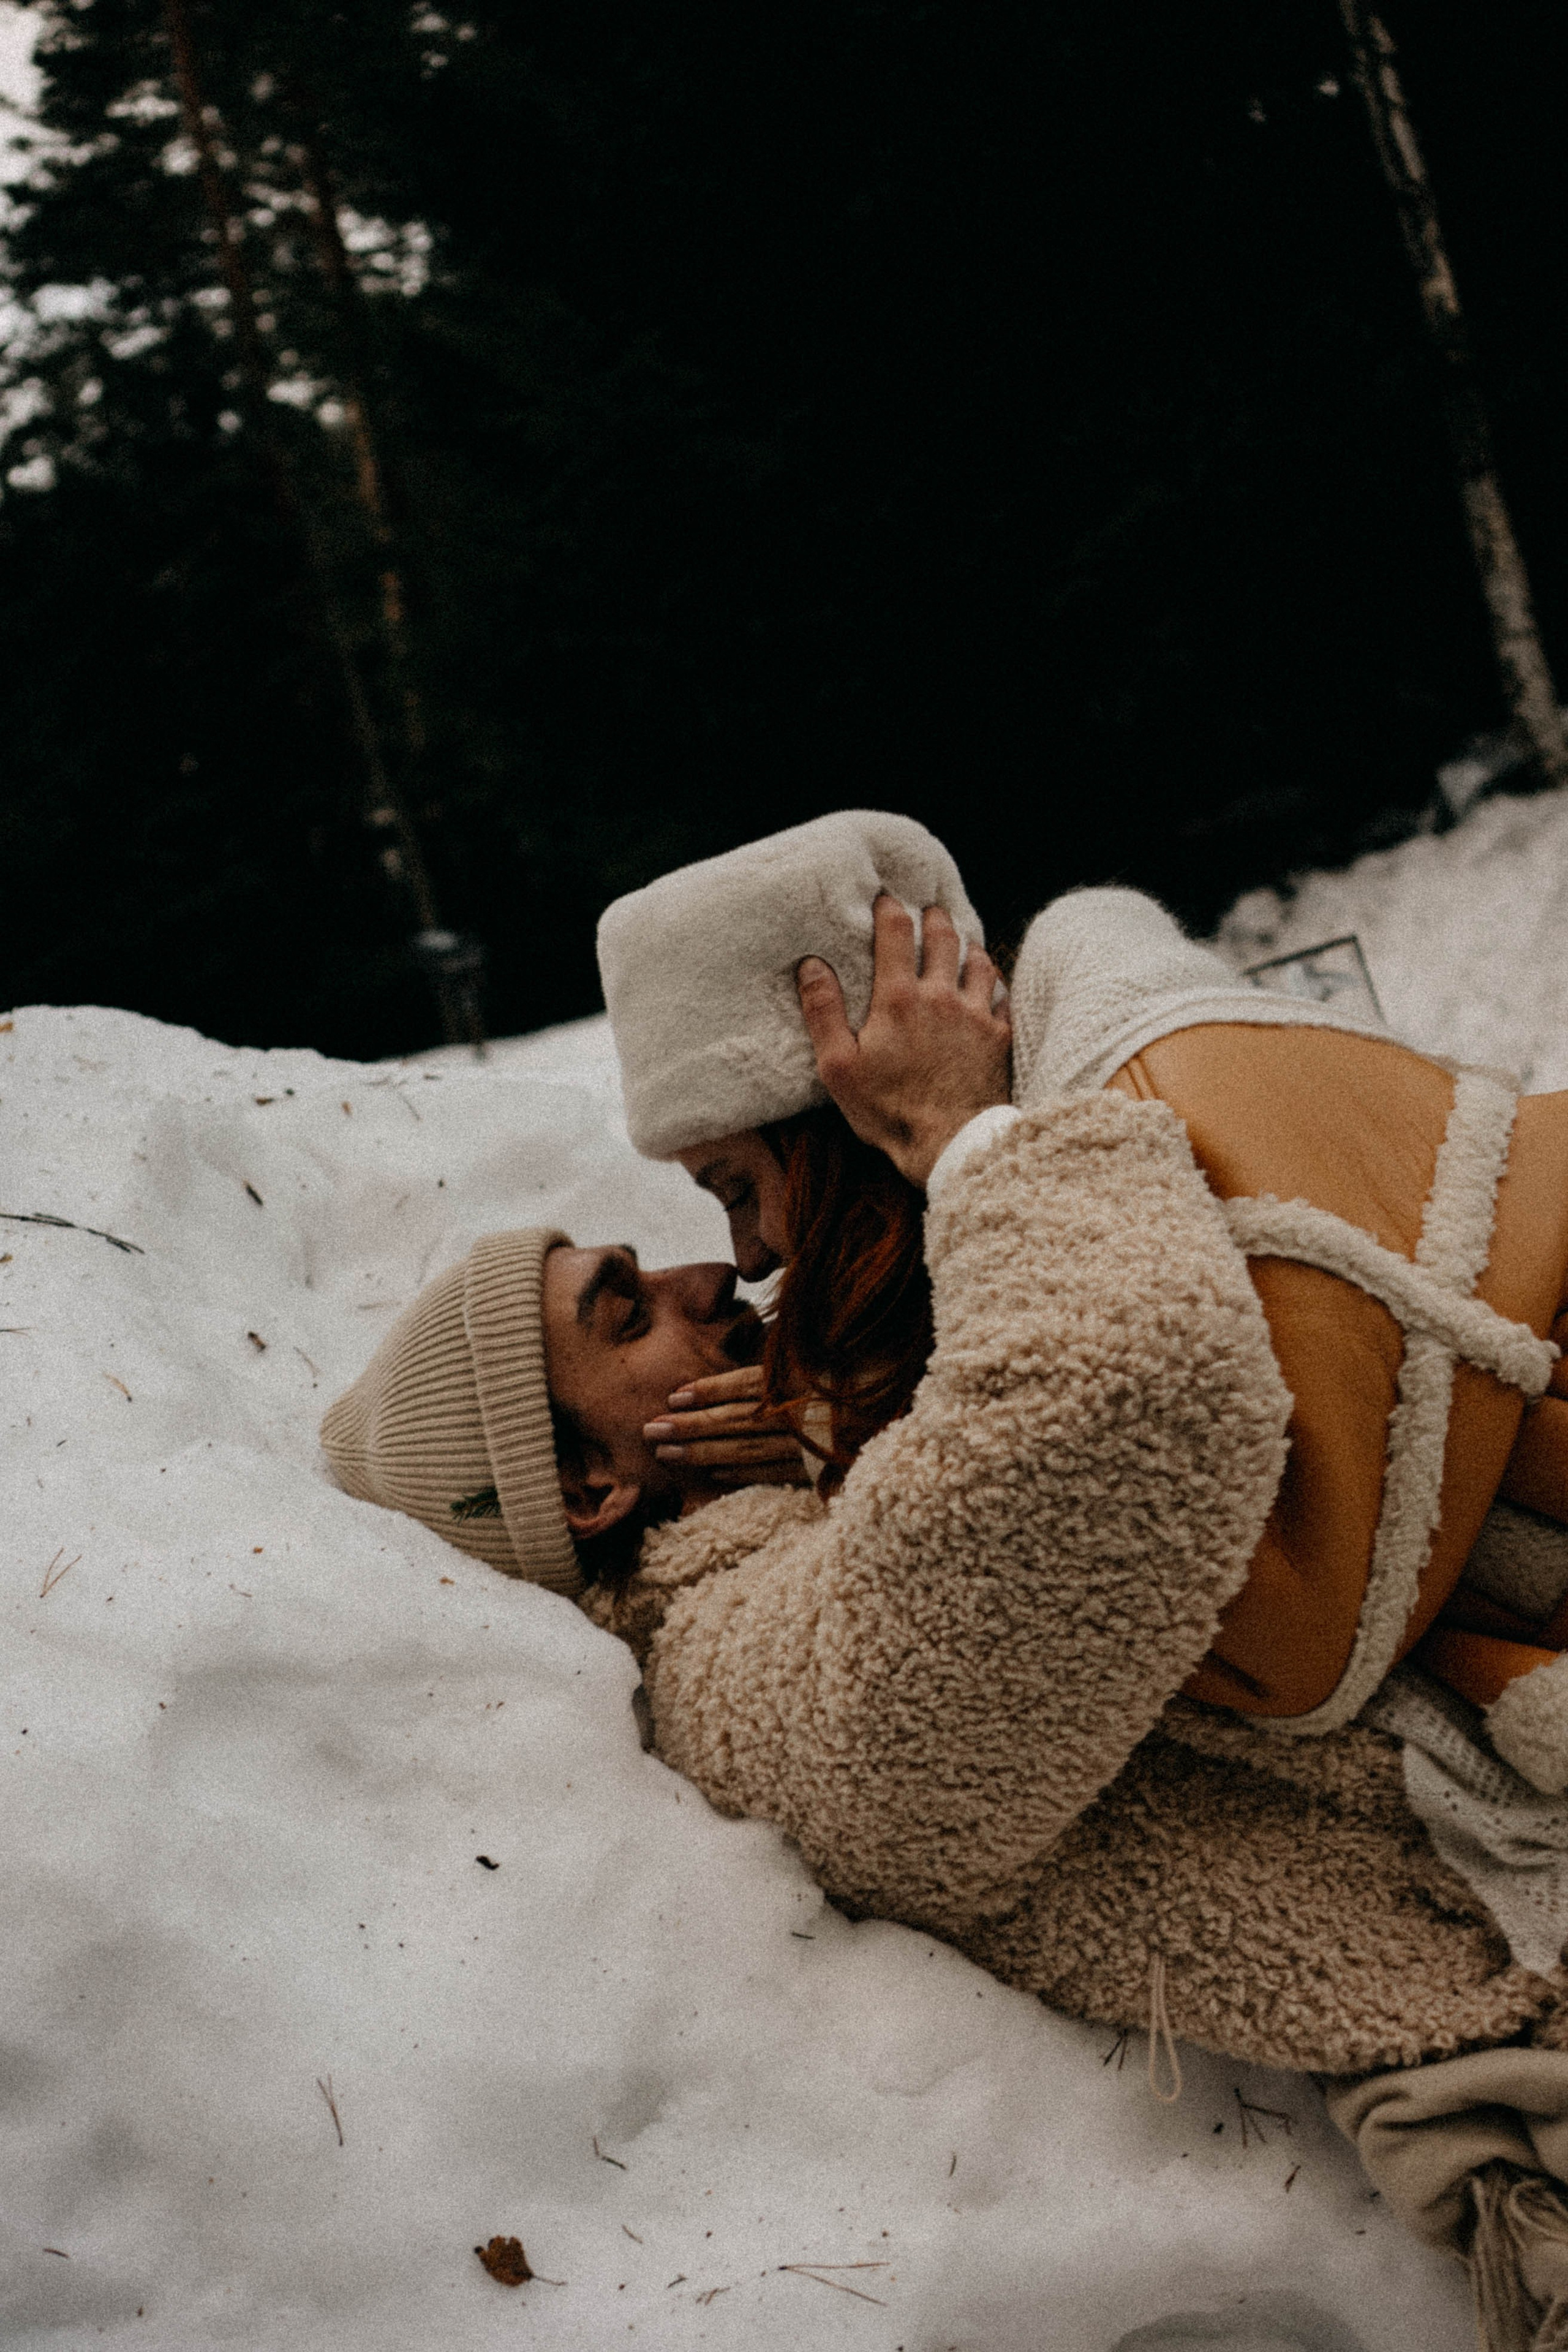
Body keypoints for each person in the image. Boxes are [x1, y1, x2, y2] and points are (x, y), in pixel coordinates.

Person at [323, 889, 1568, 2318]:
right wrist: (970, 1133)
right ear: (594, 1491)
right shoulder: (736, 1680)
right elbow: (1118, 1403)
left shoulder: (816, 1494)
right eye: (626, 1313)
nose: (717, 1274)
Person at [597, 811, 1568, 1783]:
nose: (749, 1258)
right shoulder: (1068, 1142)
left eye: (736, 1187)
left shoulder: (1147, 1090)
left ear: (848, 1116)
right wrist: (862, 1414)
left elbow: (1292, 1635)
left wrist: (968, 1143)